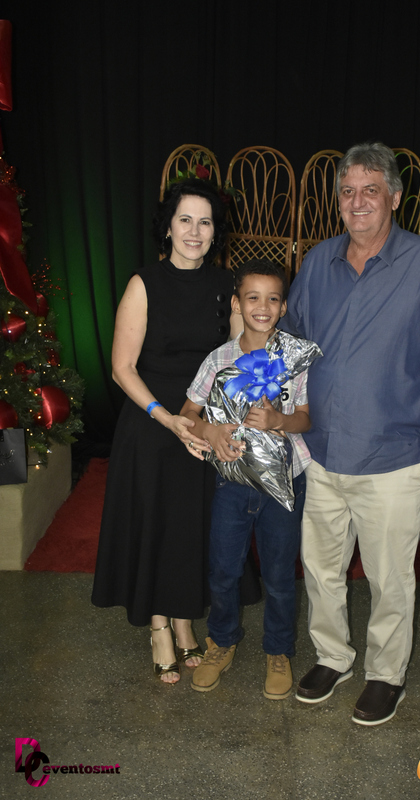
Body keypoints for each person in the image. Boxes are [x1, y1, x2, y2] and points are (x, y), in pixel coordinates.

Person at [279, 142, 420, 724]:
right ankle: (333, 657)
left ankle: (387, 675)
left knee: (391, 579)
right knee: (321, 570)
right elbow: (290, 343)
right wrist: (242, 387)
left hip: (395, 456)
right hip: (322, 452)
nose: (358, 201)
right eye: (347, 191)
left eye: (370, 190)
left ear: (394, 197)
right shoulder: (318, 262)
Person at [91, 178, 235, 684]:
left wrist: (211, 421)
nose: (194, 231)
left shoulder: (226, 286)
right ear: (168, 227)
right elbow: (122, 368)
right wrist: (166, 416)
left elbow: (236, 363)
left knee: (191, 525)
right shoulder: (144, 283)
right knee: (157, 522)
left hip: (202, 423)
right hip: (152, 420)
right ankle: (159, 625)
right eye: (185, 219)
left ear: (215, 231)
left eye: (205, 221)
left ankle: (184, 617)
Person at [180, 259, 311, 699]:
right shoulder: (219, 359)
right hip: (233, 483)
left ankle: (279, 650)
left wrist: (279, 420)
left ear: (284, 306)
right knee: (223, 569)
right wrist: (210, 431)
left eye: (273, 299)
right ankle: (221, 641)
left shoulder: (294, 357)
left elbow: (306, 418)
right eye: (252, 297)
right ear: (237, 303)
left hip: (285, 481)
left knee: (279, 574)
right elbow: (188, 413)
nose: (263, 306)